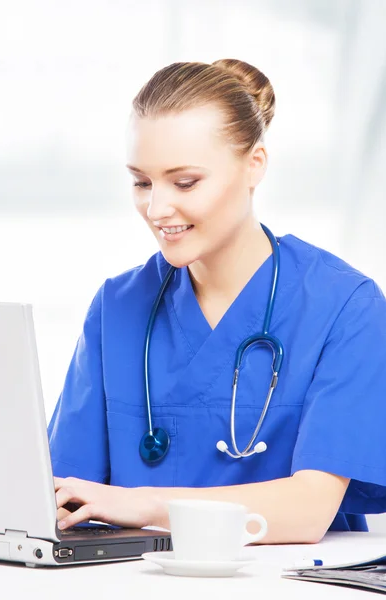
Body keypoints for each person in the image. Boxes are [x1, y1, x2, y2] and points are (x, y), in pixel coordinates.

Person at [47, 58, 386, 544]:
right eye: (142, 182)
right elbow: (64, 493)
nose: (157, 209)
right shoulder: (117, 307)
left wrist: (143, 503)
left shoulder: (345, 307)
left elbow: (310, 508)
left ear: (255, 165)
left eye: (185, 182)